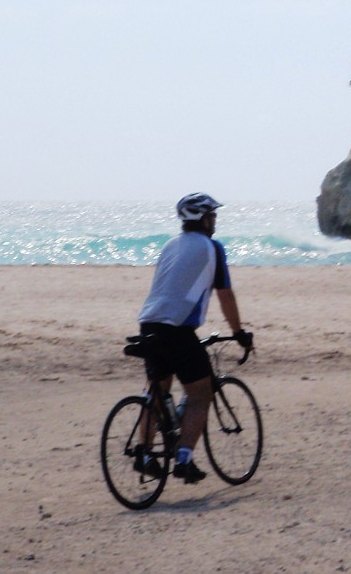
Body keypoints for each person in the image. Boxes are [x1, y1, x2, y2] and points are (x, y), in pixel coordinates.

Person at [134, 192, 253, 483]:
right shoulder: (212, 247)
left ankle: (145, 454)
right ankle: (184, 459)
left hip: (148, 324)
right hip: (177, 329)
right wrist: (238, 333)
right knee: (200, 394)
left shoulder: (170, 245)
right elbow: (224, 294)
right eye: (213, 215)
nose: (215, 221)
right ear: (204, 218)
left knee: (157, 394)